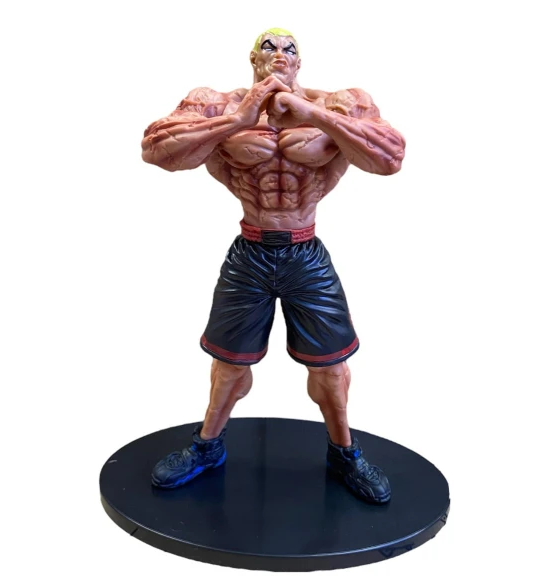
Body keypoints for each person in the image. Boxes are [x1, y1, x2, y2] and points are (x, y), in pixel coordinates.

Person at [141, 28, 405, 503]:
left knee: (331, 368)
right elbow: (156, 150)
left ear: (300, 61)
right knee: (228, 364)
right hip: (251, 252)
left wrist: (311, 113)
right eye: (269, 47)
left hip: (306, 253)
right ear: (252, 58)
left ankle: (344, 453)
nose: (280, 54)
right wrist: (238, 119)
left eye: (290, 49)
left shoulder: (339, 103)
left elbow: (390, 157)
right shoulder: (219, 104)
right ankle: (207, 447)